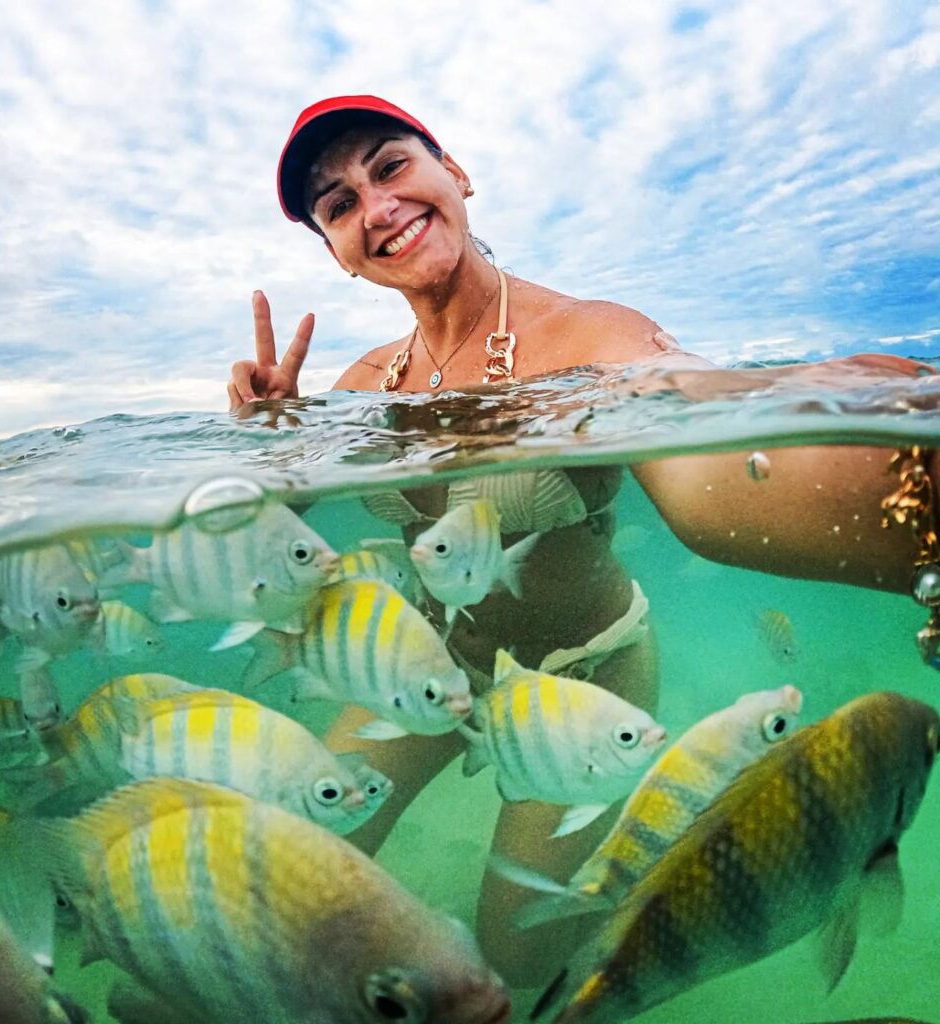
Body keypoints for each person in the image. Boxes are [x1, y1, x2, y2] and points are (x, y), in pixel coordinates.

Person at [227, 95, 933, 986]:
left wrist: (861, 408)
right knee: (289, 876)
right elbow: (288, 549)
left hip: (583, 672)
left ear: (457, 175)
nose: (374, 206)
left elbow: (711, 419)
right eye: (337, 205)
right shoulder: (362, 382)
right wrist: (273, 449)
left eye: (391, 166)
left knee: (518, 952)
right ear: (337, 252)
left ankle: (648, 900)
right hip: (427, 671)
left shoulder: (592, 336)